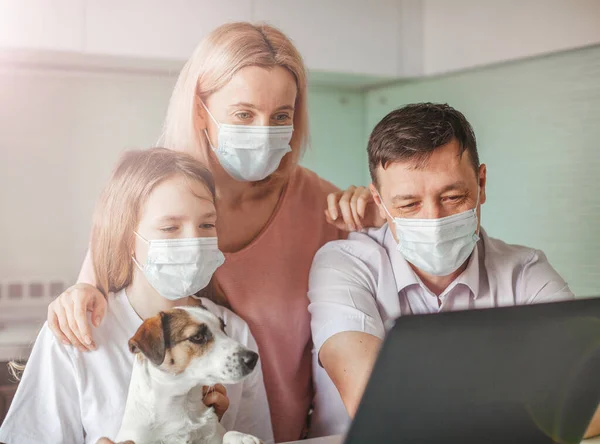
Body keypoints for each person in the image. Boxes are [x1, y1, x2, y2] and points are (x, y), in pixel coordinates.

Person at [42, 22, 378, 442]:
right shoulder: (154, 200)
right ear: (200, 108)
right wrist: (78, 293)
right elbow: (94, 293)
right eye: (243, 114)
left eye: (281, 116)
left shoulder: (322, 208)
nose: (262, 131)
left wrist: (386, 214)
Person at [307, 103, 578, 437]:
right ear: (379, 202)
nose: (433, 220)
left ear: (480, 183)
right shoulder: (344, 264)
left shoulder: (524, 272)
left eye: (453, 197)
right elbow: (377, 406)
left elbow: (588, 397)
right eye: (409, 204)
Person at [0, 148, 273, 444]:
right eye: (170, 227)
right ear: (127, 236)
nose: (194, 242)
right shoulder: (76, 333)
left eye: (207, 225)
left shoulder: (235, 332)